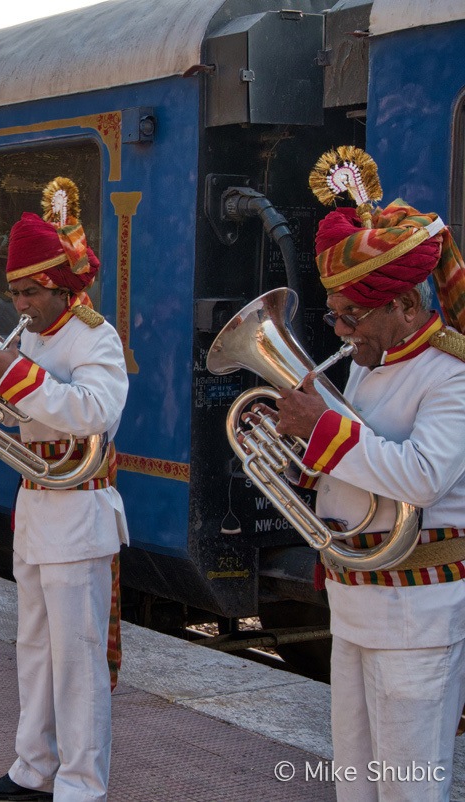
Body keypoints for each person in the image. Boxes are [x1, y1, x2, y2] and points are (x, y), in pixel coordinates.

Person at [274, 146, 465, 802]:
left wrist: (322, 432)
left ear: (408, 306)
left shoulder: (451, 376)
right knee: (355, 787)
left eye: (351, 316)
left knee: (410, 791)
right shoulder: (367, 360)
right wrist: (298, 459)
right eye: (334, 314)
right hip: (356, 600)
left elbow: (419, 478)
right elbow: (354, 465)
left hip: (416, 611)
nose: (340, 329)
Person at [0, 179, 127, 801]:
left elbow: (96, 410)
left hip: (79, 509)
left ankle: (82, 783)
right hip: (36, 504)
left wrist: (19, 380)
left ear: (63, 287)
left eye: (29, 292)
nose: (21, 305)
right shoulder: (32, 337)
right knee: (33, 646)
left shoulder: (95, 335)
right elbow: (33, 411)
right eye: (15, 293)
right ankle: (32, 767)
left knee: (78, 659)